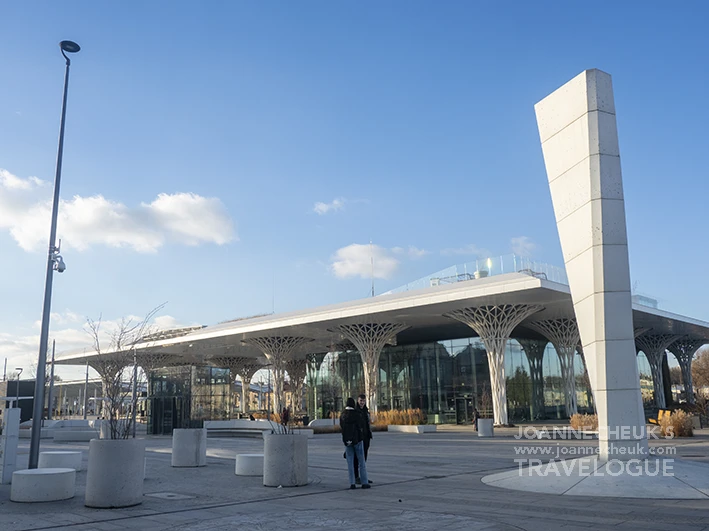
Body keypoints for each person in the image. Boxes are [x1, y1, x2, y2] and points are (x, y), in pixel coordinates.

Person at [340, 397, 370, 489]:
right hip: (357, 440)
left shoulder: (343, 415)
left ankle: (352, 483)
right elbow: (360, 427)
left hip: (347, 441)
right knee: (361, 461)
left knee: (350, 462)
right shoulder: (357, 414)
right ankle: (364, 482)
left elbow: (342, 427)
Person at [353, 394, 373, 484]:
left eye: (363, 401)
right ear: (358, 400)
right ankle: (356, 476)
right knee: (357, 458)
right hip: (359, 438)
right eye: (361, 401)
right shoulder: (355, 411)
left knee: (364, 458)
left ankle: (363, 477)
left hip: (366, 437)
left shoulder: (366, 411)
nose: (362, 403)